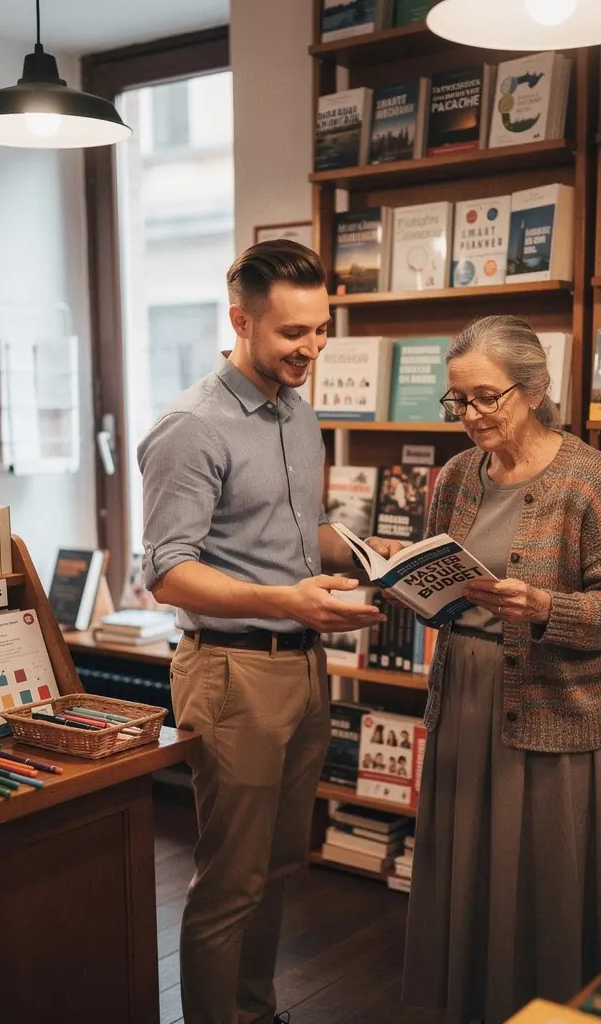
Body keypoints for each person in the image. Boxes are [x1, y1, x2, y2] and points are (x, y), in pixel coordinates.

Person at [369, 315, 601, 1022]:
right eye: (458, 400)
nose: (470, 416)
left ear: (534, 388)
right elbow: (443, 581)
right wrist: (409, 586)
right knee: (469, 870)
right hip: (464, 694)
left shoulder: (589, 477)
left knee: (543, 880)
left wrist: (546, 607)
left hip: (552, 706)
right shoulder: (458, 476)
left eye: (485, 398)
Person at [138, 239, 386, 1024]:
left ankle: (255, 1010)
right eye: (292, 334)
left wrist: (387, 557)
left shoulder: (298, 412)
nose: (311, 348)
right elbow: (168, 571)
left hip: (303, 667)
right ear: (241, 320)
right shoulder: (191, 427)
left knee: (281, 867)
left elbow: (294, 532)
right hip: (232, 672)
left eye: (321, 329)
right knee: (230, 880)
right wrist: (291, 604)